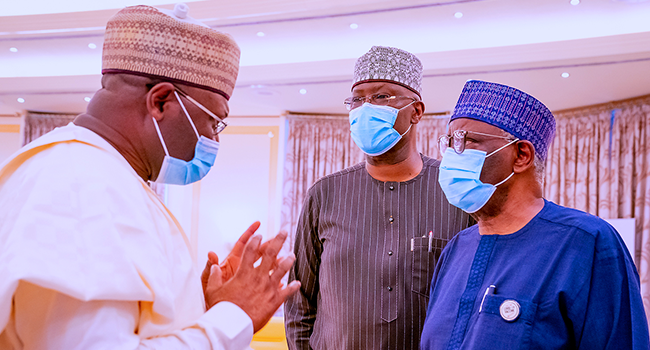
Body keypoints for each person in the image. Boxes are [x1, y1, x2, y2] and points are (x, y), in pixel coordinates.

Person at [0, 4, 299, 349]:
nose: (215, 140)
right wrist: (233, 316)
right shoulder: (79, 182)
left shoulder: (108, 174)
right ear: (161, 101)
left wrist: (195, 306)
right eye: (214, 122)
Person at [420, 80, 650, 349]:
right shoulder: (457, 249)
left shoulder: (586, 244)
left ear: (521, 155)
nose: (451, 156)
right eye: (448, 143)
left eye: (467, 142)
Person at [284, 46, 473, 350]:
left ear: (417, 111)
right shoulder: (325, 194)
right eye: (357, 99)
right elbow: (299, 302)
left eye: (381, 97)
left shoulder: (454, 190)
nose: (365, 107)